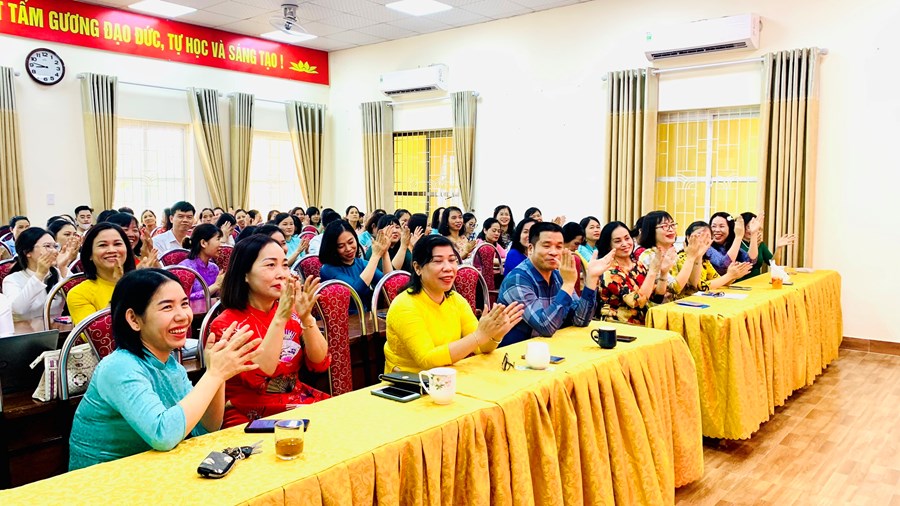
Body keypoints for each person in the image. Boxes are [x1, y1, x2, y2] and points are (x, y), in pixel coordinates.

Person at [68, 269, 262, 470]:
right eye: (167, 307)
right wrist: (214, 375)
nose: (183, 316)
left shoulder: (171, 365)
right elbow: (163, 435)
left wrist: (218, 375)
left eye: (184, 304)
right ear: (134, 319)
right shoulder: (118, 367)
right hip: (103, 477)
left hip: (150, 468)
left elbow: (205, 428)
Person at [209, 235, 330, 427]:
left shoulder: (292, 312)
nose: (282, 274)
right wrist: (281, 317)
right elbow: (260, 374)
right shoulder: (226, 324)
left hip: (294, 401)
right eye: (270, 265)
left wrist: (307, 318)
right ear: (245, 274)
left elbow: (319, 363)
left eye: (284, 265)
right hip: (247, 412)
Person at [384, 236, 524, 373]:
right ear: (417, 268)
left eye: (452, 260)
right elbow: (427, 360)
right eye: (438, 261)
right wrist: (479, 336)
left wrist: (494, 334)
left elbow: (480, 348)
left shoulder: (456, 300)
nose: (448, 268)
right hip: (409, 382)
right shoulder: (404, 306)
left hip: (447, 376)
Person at [497, 222, 614, 346]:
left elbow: (580, 320)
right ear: (531, 249)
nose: (554, 252)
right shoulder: (517, 279)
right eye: (547, 246)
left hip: (551, 347)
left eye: (559, 247)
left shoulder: (558, 276)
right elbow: (545, 327)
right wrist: (568, 284)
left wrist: (591, 279)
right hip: (517, 351)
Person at [597, 221, 675, 325]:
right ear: (608, 246)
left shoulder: (638, 265)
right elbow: (637, 302)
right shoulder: (609, 271)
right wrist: (652, 271)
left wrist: (664, 273)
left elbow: (657, 297)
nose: (625, 244)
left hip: (642, 323)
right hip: (618, 326)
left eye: (627, 238)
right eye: (618, 241)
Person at [2, 228, 76, 326]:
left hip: (58, 331)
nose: (54, 251)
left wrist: (63, 267)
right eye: (47, 246)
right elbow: (18, 310)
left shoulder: (58, 273)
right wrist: (39, 274)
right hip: (26, 333)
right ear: (27, 252)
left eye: (55, 246)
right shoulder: (12, 280)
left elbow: (78, 297)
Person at [67, 223, 136, 324]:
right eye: (103, 245)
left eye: (117, 244)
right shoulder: (79, 294)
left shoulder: (142, 284)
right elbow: (98, 331)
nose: (112, 250)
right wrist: (119, 288)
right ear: (90, 254)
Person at [319, 221, 393, 310]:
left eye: (351, 242)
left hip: (365, 315)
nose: (348, 249)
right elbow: (356, 291)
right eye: (341, 246)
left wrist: (385, 251)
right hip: (344, 317)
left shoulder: (361, 263)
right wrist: (375, 255)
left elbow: (388, 283)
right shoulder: (328, 269)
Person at [673, 221, 752, 296]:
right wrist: (729, 276)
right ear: (688, 237)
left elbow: (719, 280)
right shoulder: (683, 258)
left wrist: (734, 274)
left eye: (708, 236)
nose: (704, 239)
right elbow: (700, 287)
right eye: (699, 235)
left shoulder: (705, 260)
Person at [738, 212, 796, 279]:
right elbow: (747, 263)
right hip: (740, 282)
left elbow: (774, 265)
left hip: (756, 281)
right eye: (748, 227)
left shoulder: (760, 244)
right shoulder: (736, 243)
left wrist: (779, 248)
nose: (751, 230)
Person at [179, 224, 225, 300]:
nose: (221, 244)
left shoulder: (214, 268)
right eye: (218, 239)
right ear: (203, 243)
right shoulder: (185, 269)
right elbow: (185, 299)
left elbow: (216, 296)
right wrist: (215, 286)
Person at [708, 212, 754, 276]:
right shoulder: (707, 247)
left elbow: (750, 261)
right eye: (713, 226)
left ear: (730, 229)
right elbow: (724, 264)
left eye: (721, 226)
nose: (717, 230)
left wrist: (754, 233)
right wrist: (738, 237)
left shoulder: (730, 245)